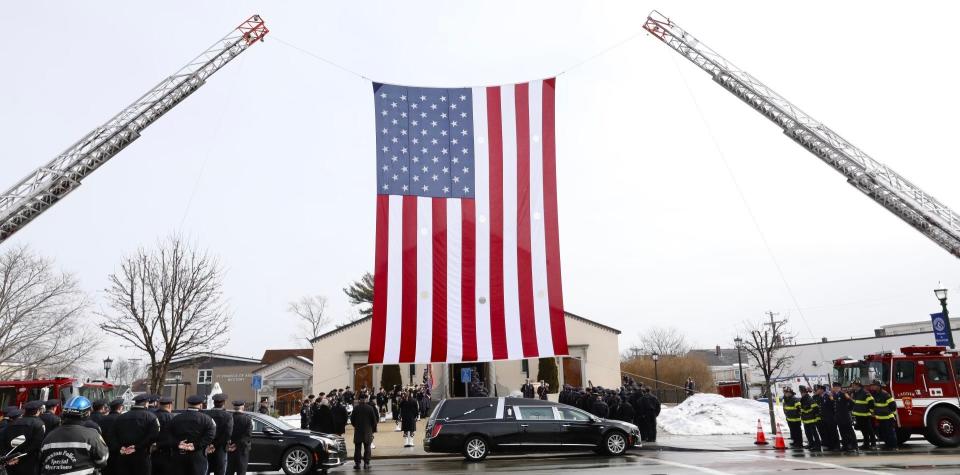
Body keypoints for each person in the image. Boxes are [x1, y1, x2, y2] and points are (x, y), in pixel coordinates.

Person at [39, 396, 109, 475]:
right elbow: (103, 459)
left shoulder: (49, 436)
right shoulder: (91, 435)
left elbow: (42, 460)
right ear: (87, 413)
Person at [112, 393, 160, 475]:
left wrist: (120, 447)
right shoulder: (151, 417)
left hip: (123, 455)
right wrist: (137, 446)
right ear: (146, 403)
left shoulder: (120, 417)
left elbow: (113, 435)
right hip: (142, 455)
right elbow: (154, 435)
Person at [169, 395, 216, 475]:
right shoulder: (207, 419)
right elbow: (211, 435)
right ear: (200, 405)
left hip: (179, 455)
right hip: (198, 455)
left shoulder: (176, 418)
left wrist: (177, 443)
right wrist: (196, 445)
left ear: (188, 404)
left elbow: (169, 434)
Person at [205, 393, 235, 475]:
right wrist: (215, 445)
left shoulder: (207, 414)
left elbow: (204, 431)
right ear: (224, 403)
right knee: (220, 471)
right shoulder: (228, 416)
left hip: (208, 447)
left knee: (206, 470)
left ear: (214, 403)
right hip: (221, 448)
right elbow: (228, 434)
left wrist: (210, 444)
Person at [350, 393, 378, 470]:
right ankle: (366, 463)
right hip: (367, 431)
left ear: (359, 400)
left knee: (357, 448)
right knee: (367, 448)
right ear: (366, 399)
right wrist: (372, 430)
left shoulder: (356, 408)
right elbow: (374, 421)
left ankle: (357, 464)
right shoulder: (370, 408)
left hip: (358, 431)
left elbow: (352, 420)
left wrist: (356, 426)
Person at [99, 398, 125, 475]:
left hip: (105, 450)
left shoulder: (102, 419)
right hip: (118, 451)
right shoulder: (122, 419)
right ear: (120, 407)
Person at [226, 401, 252, 475]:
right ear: (242, 407)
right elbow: (248, 435)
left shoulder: (229, 418)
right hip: (242, 449)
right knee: (241, 471)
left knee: (229, 471)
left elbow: (226, 433)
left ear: (234, 407)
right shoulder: (247, 419)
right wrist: (236, 444)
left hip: (229, 448)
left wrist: (230, 444)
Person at [870, 380, 897, 450]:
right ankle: (887, 445)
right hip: (880, 418)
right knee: (884, 433)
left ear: (879, 386)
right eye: (873, 385)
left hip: (888, 418)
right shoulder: (875, 394)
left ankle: (893, 446)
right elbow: (875, 405)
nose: (873, 386)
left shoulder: (885, 394)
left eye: (874, 385)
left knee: (890, 433)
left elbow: (893, 406)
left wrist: (887, 412)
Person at [850, 380, 876, 449]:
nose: (852, 386)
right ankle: (866, 444)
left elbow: (871, 403)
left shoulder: (865, 393)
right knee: (864, 431)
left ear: (858, 385)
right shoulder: (855, 393)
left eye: (853, 385)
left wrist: (870, 412)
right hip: (858, 415)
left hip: (865, 415)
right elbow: (856, 403)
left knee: (869, 430)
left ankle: (873, 444)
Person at [833, 383, 858, 452]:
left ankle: (853, 445)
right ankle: (845, 445)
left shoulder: (843, 394)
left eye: (836, 387)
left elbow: (852, 402)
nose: (834, 388)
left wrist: (847, 410)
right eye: (834, 387)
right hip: (839, 417)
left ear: (839, 387)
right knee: (842, 432)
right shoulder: (835, 395)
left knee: (849, 431)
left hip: (845, 416)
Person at [816, 385, 840, 451]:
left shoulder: (828, 396)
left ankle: (836, 446)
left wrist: (834, 416)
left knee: (833, 432)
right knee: (827, 432)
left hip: (831, 417)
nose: (817, 390)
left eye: (818, 389)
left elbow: (833, 405)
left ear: (822, 390)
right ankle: (830, 445)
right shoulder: (821, 397)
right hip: (824, 418)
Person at [799, 385, 821, 451]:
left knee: (814, 433)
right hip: (806, 420)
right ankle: (811, 444)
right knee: (808, 433)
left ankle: (817, 446)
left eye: (802, 392)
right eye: (801, 392)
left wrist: (810, 413)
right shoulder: (803, 399)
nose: (801, 393)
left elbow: (816, 408)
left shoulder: (809, 399)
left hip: (811, 419)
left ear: (805, 392)